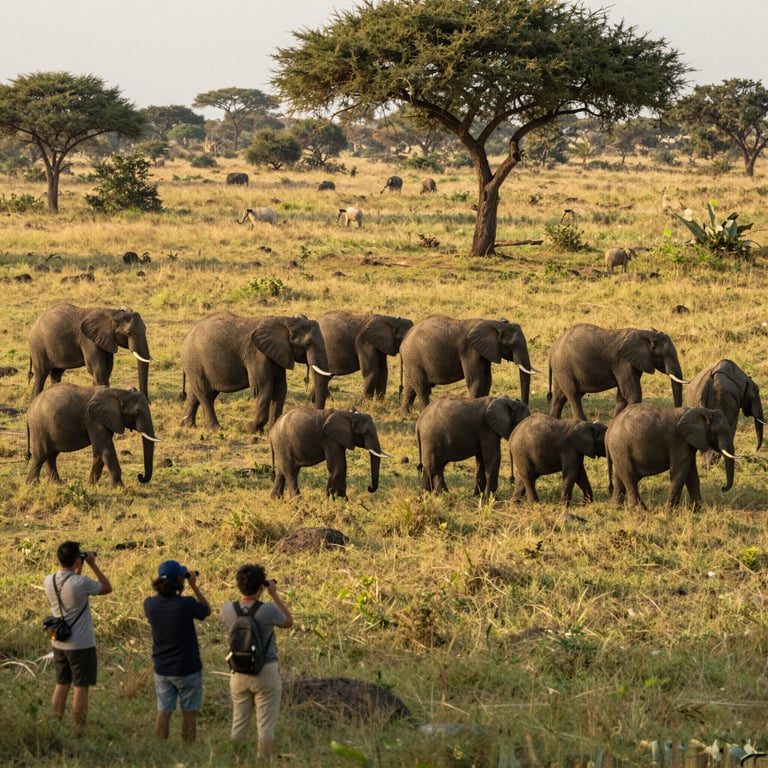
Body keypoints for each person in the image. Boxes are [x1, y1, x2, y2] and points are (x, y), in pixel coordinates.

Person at [221, 563, 293, 758]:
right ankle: (264, 762)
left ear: (239, 585)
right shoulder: (268, 610)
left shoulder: (228, 609)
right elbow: (288, 621)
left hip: (238, 672)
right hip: (265, 671)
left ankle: (237, 760)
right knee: (266, 726)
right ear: (261, 587)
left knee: (239, 723)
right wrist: (274, 594)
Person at [43, 540, 113, 726]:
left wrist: (78, 566)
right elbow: (107, 587)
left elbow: (72, 584)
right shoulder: (81, 583)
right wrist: (92, 564)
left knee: (62, 683)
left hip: (58, 641)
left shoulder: (49, 580)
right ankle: (79, 726)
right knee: (81, 687)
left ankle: (56, 723)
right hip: (81, 644)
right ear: (76, 559)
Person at [143, 560, 210, 743]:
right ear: (180, 580)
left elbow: (160, 599)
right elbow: (206, 611)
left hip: (162, 668)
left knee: (163, 711)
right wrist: (194, 586)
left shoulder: (149, 605)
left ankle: (160, 748)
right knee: (189, 712)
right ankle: (187, 749)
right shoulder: (186, 604)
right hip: (187, 668)